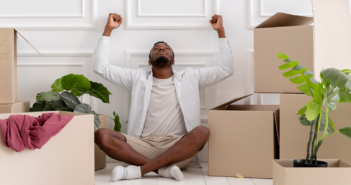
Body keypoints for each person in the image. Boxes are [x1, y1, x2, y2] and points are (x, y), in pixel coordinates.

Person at [93, 13, 233, 182]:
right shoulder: (136, 78)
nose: (161, 49)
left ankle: (139, 171)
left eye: (166, 49)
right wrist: (108, 29)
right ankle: (163, 170)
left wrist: (221, 31)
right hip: (141, 147)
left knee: (202, 131)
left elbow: (226, 69)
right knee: (102, 135)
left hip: (178, 148)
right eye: (157, 48)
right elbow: (101, 67)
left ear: (173, 60)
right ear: (149, 61)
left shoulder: (191, 77)